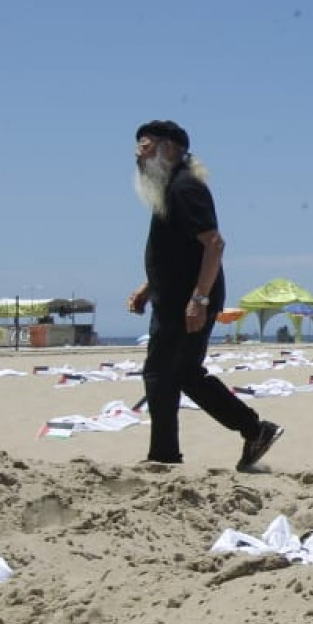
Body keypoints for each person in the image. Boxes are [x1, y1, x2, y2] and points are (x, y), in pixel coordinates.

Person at [128, 119, 283, 472]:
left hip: (187, 300)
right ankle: (255, 430)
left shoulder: (185, 187)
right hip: (175, 297)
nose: (139, 155)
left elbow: (214, 244)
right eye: (137, 148)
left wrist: (198, 300)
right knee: (184, 373)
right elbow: (175, 251)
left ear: (171, 148)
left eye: (146, 147)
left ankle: (164, 456)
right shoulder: (167, 189)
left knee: (159, 373)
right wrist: (148, 286)